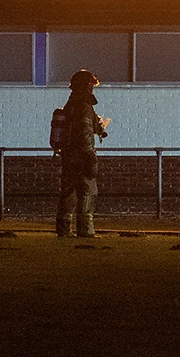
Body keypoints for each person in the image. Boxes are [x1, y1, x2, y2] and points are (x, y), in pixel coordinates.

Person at [50, 69, 109, 238]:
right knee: (88, 191)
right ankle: (85, 230)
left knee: (68, 192)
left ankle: (63, 228)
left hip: (68, 156)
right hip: (82, 157)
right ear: (87, 86)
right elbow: (84, 133)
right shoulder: (84, 107)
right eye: (91, 85)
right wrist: (90, 157)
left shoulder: (71, 105)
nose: (92, 89)